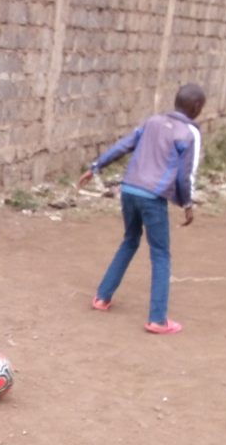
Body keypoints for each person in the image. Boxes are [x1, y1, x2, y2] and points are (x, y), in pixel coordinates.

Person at [77, 83, 205, 335]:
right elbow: (184, 175)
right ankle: (158, 319)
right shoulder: (188, 134)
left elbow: (123, 145)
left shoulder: (152, 122)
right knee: (160, 254)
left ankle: (102, 297)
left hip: (129, 190)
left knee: (130, 240)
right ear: (197, 107)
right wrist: (187, 203)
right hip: (153, 197)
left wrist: (96, 167)